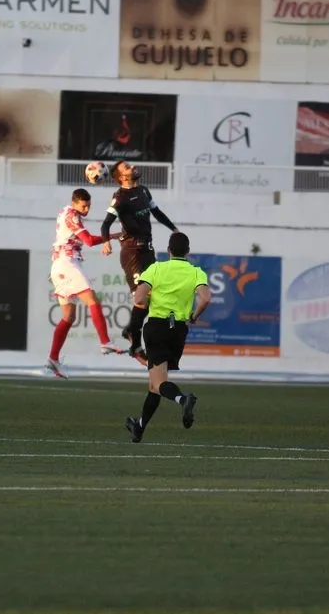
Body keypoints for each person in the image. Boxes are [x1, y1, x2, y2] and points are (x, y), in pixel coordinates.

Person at [123, 232, 211, 443]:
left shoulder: (156, 268)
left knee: (159, 383)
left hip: (157, 327)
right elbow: (205, 298)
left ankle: (182, 399)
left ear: (169, 250)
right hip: (178, 331)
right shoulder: (196, 272)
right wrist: (195, 315)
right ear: (187, 252)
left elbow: (139, 298)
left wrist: (147, 302)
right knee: (154, 385)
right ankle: (139, 427)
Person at [99, 161, 179, 359]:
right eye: (127, 167)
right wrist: (106, 242)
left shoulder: (143, 191)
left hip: (147, 250)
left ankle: (131, 333)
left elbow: (157, 213)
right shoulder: (120, 197)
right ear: (122, 177)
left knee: (152, 298)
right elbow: (105, 224)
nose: (133, 167)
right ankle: (135, 344)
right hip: (132, 253)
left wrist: (174, 229)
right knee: (143, 297)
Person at [46, 188, 126, 379]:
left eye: (89, 206)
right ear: (74, 203)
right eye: (84, 206)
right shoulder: (72, 215)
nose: (87, 209)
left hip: (59, 265)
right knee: (92, 300)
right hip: (67, 263)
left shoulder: (66, 212)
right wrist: (113, 236)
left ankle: (53, 359)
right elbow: (88, 241)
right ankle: (105, 342)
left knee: (68, 317)